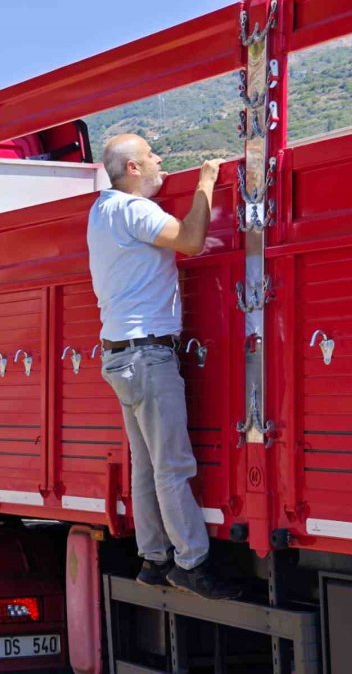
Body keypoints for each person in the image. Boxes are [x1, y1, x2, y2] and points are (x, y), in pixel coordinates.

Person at [87, 134, 240, 600]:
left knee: (147, 464)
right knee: (172, 464)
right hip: (148, 355)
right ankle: (191, 563)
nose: (160, 162)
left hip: (120, 355)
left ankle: (153, 559)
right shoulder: (135, 211)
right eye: (152, 156)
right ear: (132, 167)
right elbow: (191, 241)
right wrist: (206, 183)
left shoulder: (100, 211)